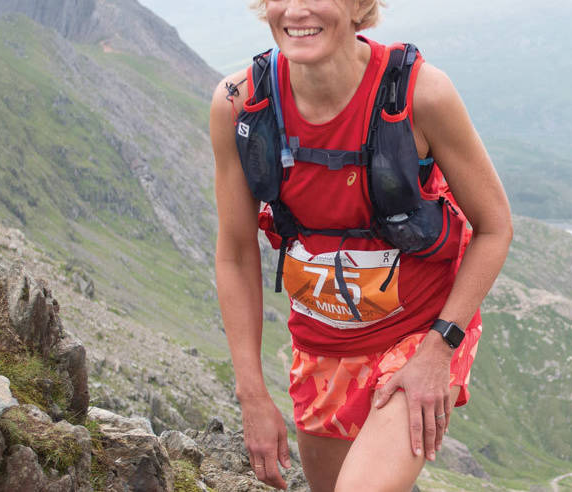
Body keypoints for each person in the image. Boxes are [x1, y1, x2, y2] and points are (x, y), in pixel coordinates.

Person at [208, 0, 512, 490]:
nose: (296, 10)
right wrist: (252, 395)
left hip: (418, 336)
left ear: (359, 7)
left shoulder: (421, 95)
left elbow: (495, 227)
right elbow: (237, 254)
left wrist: (439, 349)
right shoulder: (239, 104)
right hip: (321, 346)